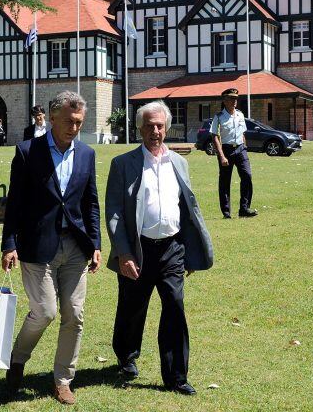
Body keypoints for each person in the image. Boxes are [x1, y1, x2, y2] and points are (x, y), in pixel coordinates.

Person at [106, 100, 213, 396]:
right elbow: (114, 212)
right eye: (150, 125)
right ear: (139, 128)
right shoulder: (123, 164)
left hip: (172, 250)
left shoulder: (180, 163)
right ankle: (126, 356)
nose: (155, 131)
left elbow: (188, 210)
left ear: (166, 127)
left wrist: (190, 251)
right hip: (138, 250)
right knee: (132, 308)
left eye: (160, 125)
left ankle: (177, 376)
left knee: (175, 307)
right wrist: (124, 252)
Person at [1, 91, 100, 405]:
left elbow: (90, 203)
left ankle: (62, 380)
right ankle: (18, 358)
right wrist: (9, 244)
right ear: (53, 118)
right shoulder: (28, 152)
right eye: (70, 122)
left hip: (75, 247)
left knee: (75, 314)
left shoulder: (86, 154)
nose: (74, 128)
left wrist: (95, 244)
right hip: (37, 245)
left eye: (79, 123)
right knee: (45, 311)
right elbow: (14, 202)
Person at [210, 88, 258, 219]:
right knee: (225, 182)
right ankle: (226, 212)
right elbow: (215, 136)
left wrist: (245, 147)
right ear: (224, 100)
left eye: (236, 98)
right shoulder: (218, 117)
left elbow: (243, 132)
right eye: (231, 98)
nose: (234, 101)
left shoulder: (240, 115)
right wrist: (221, 156)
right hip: (226, 150)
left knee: (247, 176)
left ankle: (244, 208)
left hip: (241, 149)